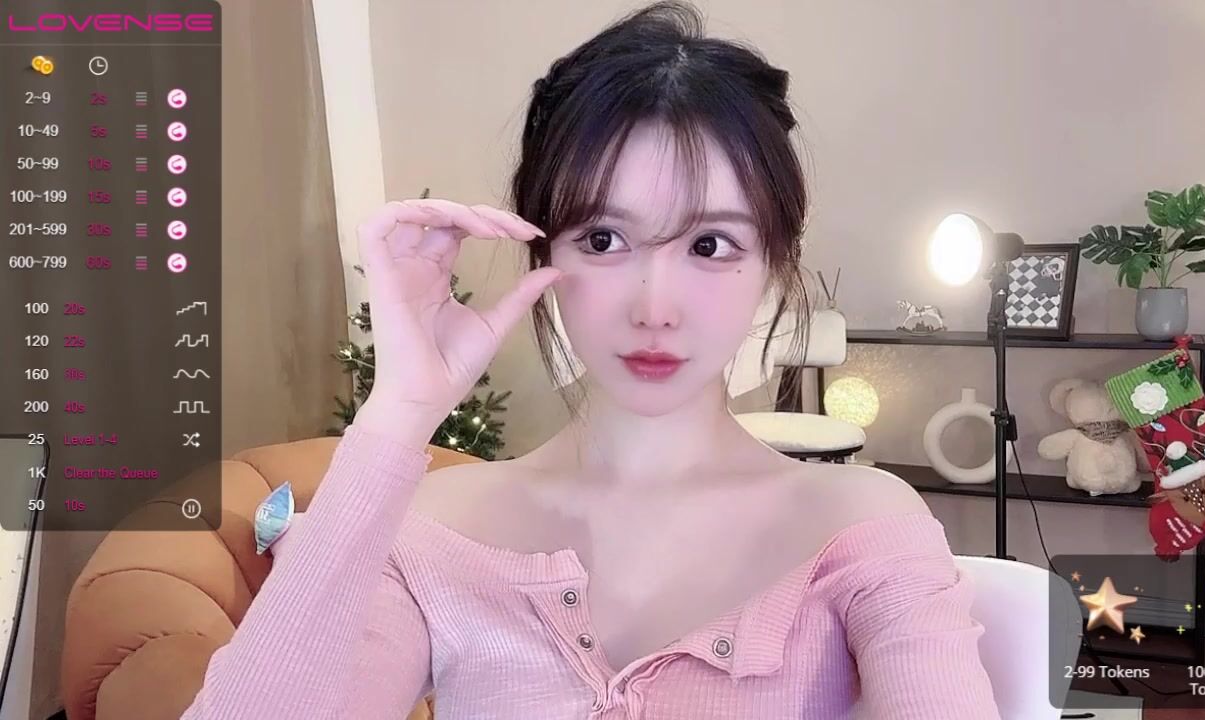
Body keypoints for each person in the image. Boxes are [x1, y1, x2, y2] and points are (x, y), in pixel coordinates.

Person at [182, 2, 999, 718]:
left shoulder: (858, 526)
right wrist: (398, 411)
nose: (655, 306)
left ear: (774, 265)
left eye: (710, 245)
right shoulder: (435, 531)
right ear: (544, 252)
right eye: (603, 240)